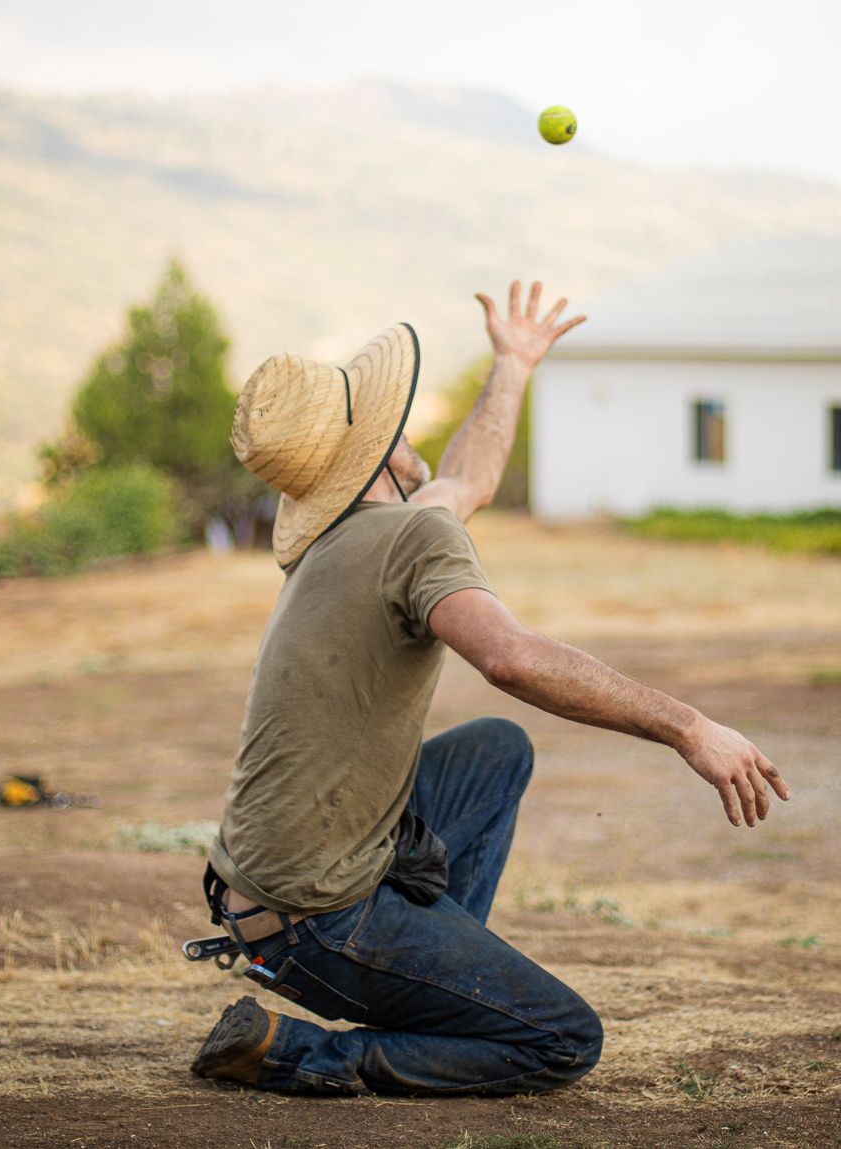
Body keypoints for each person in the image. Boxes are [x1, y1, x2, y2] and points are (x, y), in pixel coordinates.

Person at [192, 280, 791, 1096]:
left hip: (260, 897)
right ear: (379, 453)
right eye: (394, 427)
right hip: (318, 922)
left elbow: (466, 482)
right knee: (563, 1039)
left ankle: (438, 990)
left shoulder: (346, 542)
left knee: (493, 752)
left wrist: (512, 363)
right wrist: (690, 727)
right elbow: (508, 658)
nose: (412, 437)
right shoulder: (410, 535)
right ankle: (320, 1051)